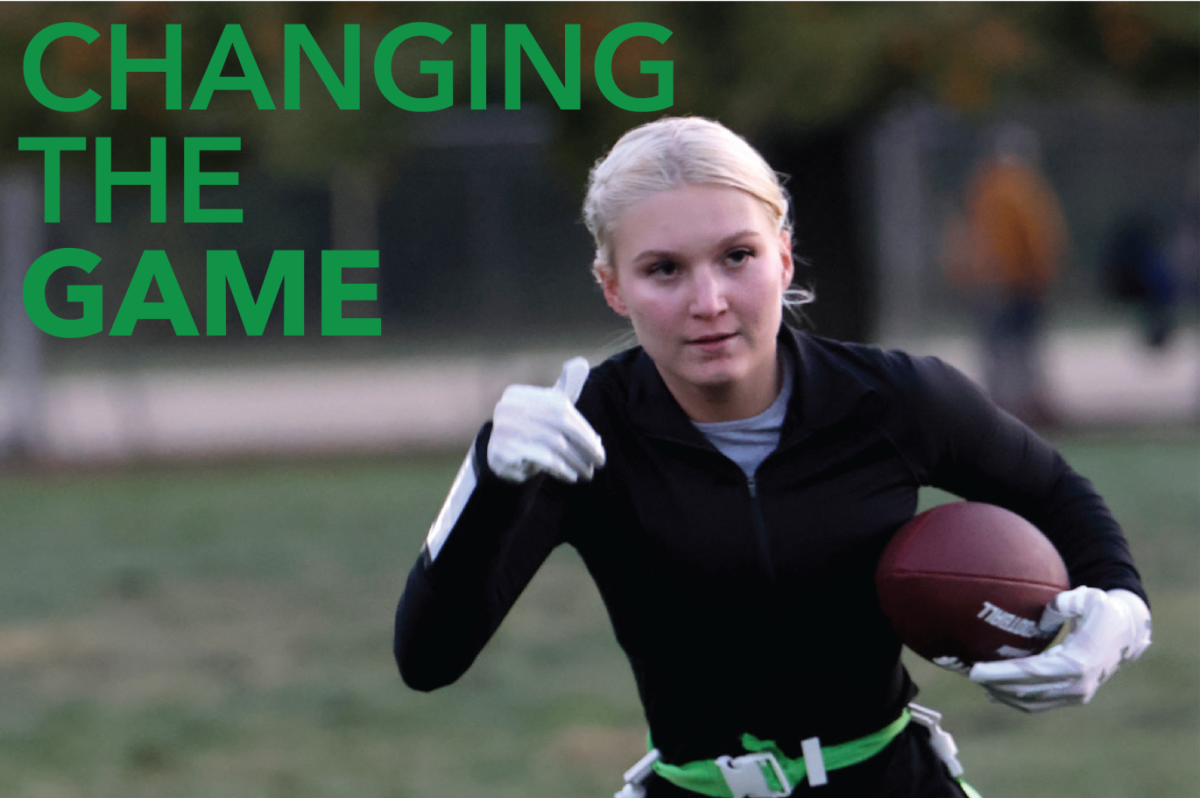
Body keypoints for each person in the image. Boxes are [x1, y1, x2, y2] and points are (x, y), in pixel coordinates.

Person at [394, 117, 1151, 798]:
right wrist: (492, 476)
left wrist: (1121, 608)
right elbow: (428, 659)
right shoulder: (576, 434)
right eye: (664, 269)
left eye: (737, 256)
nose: (709, 300)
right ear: (612, 286)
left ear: (784, 257)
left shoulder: (894, 399)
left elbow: (1056, 492)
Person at [946, 122, 1067, 427]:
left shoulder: (984, 188)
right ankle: (1018, 405)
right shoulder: (1017, 189)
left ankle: (1007, 404)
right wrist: (1040, 273)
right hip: (1012, 281)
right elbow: (1037, 238)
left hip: (998, 281)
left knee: (1005, 347)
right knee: (1016, 347)